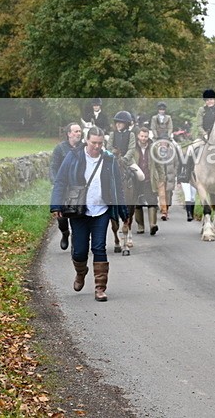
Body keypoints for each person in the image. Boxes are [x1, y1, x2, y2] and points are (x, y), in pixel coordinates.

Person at [50, 127, 129, 302]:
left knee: (99, 247)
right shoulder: (74, 156)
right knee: (79, 251)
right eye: (94, 143)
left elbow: (118, 187)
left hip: (101, 210)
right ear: (86, 140)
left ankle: (100, 288)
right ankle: (81, 271)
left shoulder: (109, 159)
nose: (97, 146)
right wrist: (56, 205)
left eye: (100, 143)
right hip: (79, 210)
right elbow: (61, 181)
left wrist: (123, 210)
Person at [50, 122, 83, 250]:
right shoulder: (60, 148)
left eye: (79, 131)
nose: (78, 134)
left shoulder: (84, 148)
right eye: (75, 131)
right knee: (61, 218)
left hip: (78, 188)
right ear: (69, 134)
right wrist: (55, 182)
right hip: (63, 187)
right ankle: (65, 233)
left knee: (78, 215)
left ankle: (76, 240)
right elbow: (53, 167)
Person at [131, 126, 166, 235]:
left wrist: (161, 178)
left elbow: (159, 163)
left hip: (149, 179)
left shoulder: (153, 147)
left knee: (152, 201)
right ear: (138, 136)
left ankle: (152, 225)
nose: (144, 138)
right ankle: (140, 226)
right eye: (142, 136)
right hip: (136, 179)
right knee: (137, 203)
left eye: (146, 136)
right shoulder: (133, 148)